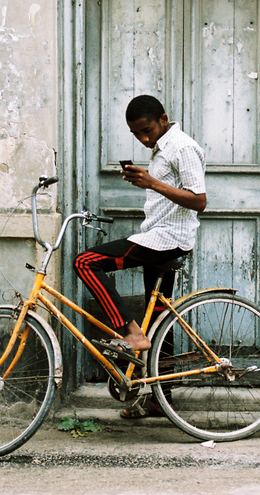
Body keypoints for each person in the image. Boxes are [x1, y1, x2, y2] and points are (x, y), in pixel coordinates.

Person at [74, 94, 207, 362]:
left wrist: (151, 182)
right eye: (136, 134)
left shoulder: (182, 147)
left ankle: (131, 332)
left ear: (164, 119)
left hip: (167, 239)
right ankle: (161, 387)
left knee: (85, 262)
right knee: (158, 320)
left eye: (147, 130)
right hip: (158, 237)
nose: (143, 139)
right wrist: (147, 181)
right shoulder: (162, 148)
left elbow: (199, 200)